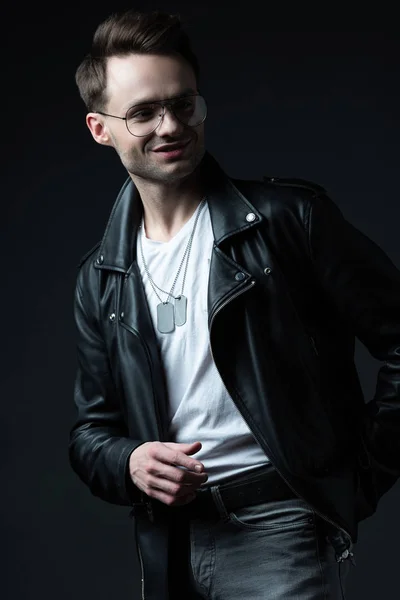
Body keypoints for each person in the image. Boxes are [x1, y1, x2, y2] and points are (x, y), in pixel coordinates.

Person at [69, 8, 400, 600]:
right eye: (143, 112)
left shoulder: (287, 221)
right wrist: (128, 462)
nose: (170, 125)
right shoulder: (102, 277)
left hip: (280, 529)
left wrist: (357, 476)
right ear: (101, 129)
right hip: (168, 543)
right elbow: (92, 431)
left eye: (184, 103)